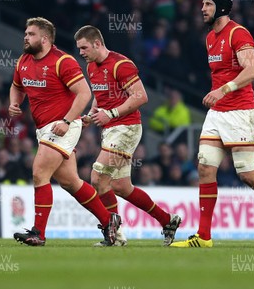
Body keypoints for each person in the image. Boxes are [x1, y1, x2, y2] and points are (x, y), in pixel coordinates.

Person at [171, 0, 254, 248]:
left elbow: (253, 69)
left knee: (248, 175)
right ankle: (204, 236)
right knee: (205, 168)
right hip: (217, 113)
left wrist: (223, 90)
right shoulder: (209, 38)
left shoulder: (238, 33)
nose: (202, 9)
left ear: (220, 8)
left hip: (240, 112)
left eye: (207, 4)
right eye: (202, 4)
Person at [10, 17, 120, 247]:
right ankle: (108, 221)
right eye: (25, 33)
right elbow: (17, 86)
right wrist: (14, 103)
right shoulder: (24, 61)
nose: (26, 37)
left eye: (30, 34)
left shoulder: (63, 61)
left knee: (39, 172)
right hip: (44, 128)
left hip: (63, 125)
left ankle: (38, 232)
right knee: (71, 182)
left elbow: (84, 93)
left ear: (45, 38)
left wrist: (68, 121)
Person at [74, 25, 182, 246]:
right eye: (79, 48)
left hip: (127, 127)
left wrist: (111, 113)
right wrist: (91, 114)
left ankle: (115, 235)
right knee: (121, 187)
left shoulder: (121, 64)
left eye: (84, 47)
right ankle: (167, 220)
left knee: (98, 177)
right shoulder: (91, 66)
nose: (81, 52)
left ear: (97, 43)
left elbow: (141, 97)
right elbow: (100, 94)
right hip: (111, 128)